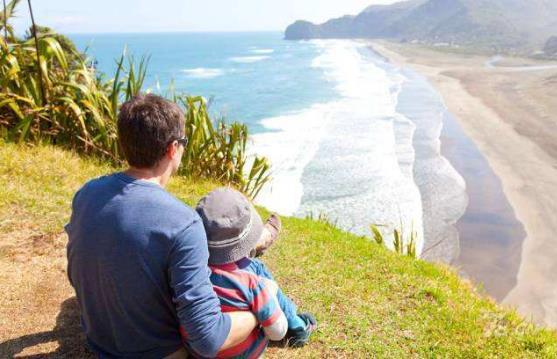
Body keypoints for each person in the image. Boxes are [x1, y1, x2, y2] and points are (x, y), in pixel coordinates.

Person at [65, 94, 258, 358]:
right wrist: (256, 314)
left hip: (100, 343)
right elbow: (208, 338)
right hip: (160, 353)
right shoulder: (183, 222)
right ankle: (254, 250)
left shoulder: (87, 194)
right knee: (251, 280)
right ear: (172, 148)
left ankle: (257, 244)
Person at [194, 188, 317, 358]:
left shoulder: (187, 274)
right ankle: (298, 326)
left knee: (252, 265)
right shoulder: (252, 283)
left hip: (197, 353)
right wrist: (269, 296)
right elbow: (277, 332)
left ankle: (258, 244)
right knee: (256, 267)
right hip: (244, 353)